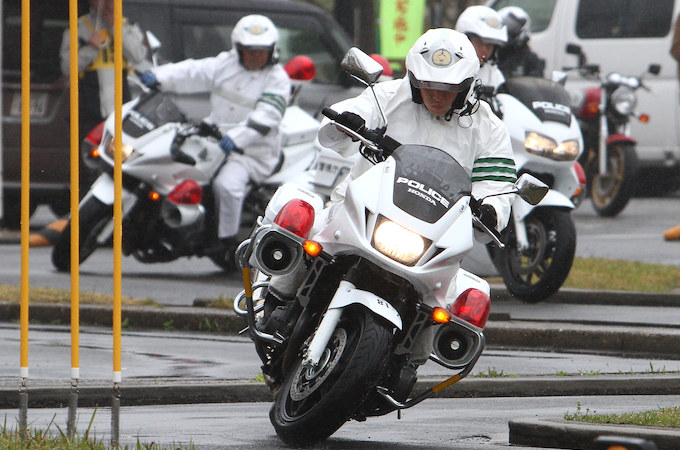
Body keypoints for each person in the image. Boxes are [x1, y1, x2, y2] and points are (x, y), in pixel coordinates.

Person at [264, 29, 517, 339]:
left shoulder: (489, 128)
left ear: (466, 87)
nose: (436, 95)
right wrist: (349, 120)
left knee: (451, 305)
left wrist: (491, 209)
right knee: (303, 221)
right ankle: (277, 300)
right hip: (361, 209)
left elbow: (497, 183)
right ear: (413, 80)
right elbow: (352, 115)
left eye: (447, 88)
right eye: (428, 85)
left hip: (434, 236)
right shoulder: (388, 95)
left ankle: (408, 362)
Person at [138, 14, 291, 253]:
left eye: (261, 50)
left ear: (271, 50)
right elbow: (193, 71)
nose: (255, 55)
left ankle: (227, 242)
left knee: (227, 185)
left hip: (252, 152)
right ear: (238, 48)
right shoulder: (225, 64)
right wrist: (159, 77)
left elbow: (267, 116)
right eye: (249, 50)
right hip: (214, 140)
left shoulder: (277, 79)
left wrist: (238, 139)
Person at [59, 0, 148, 141]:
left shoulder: (128, 25)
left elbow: (138, 55)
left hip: (122, 111)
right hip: (89, 110)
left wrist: (114, 26)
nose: (109, 4)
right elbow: (67, 68)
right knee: (88, 156)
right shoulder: (79, 27)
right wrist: (91, 48)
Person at [455, 5, 508, 95]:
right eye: (479, 42)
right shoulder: (451, 69)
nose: (484, 50)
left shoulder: (493, 74)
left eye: (489, 45)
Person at [496, 6, 545, 78]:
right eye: (502, 30)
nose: (505, 36)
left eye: (509, 32)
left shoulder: (529, 59)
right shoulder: (491, 55)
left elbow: (536, 85)